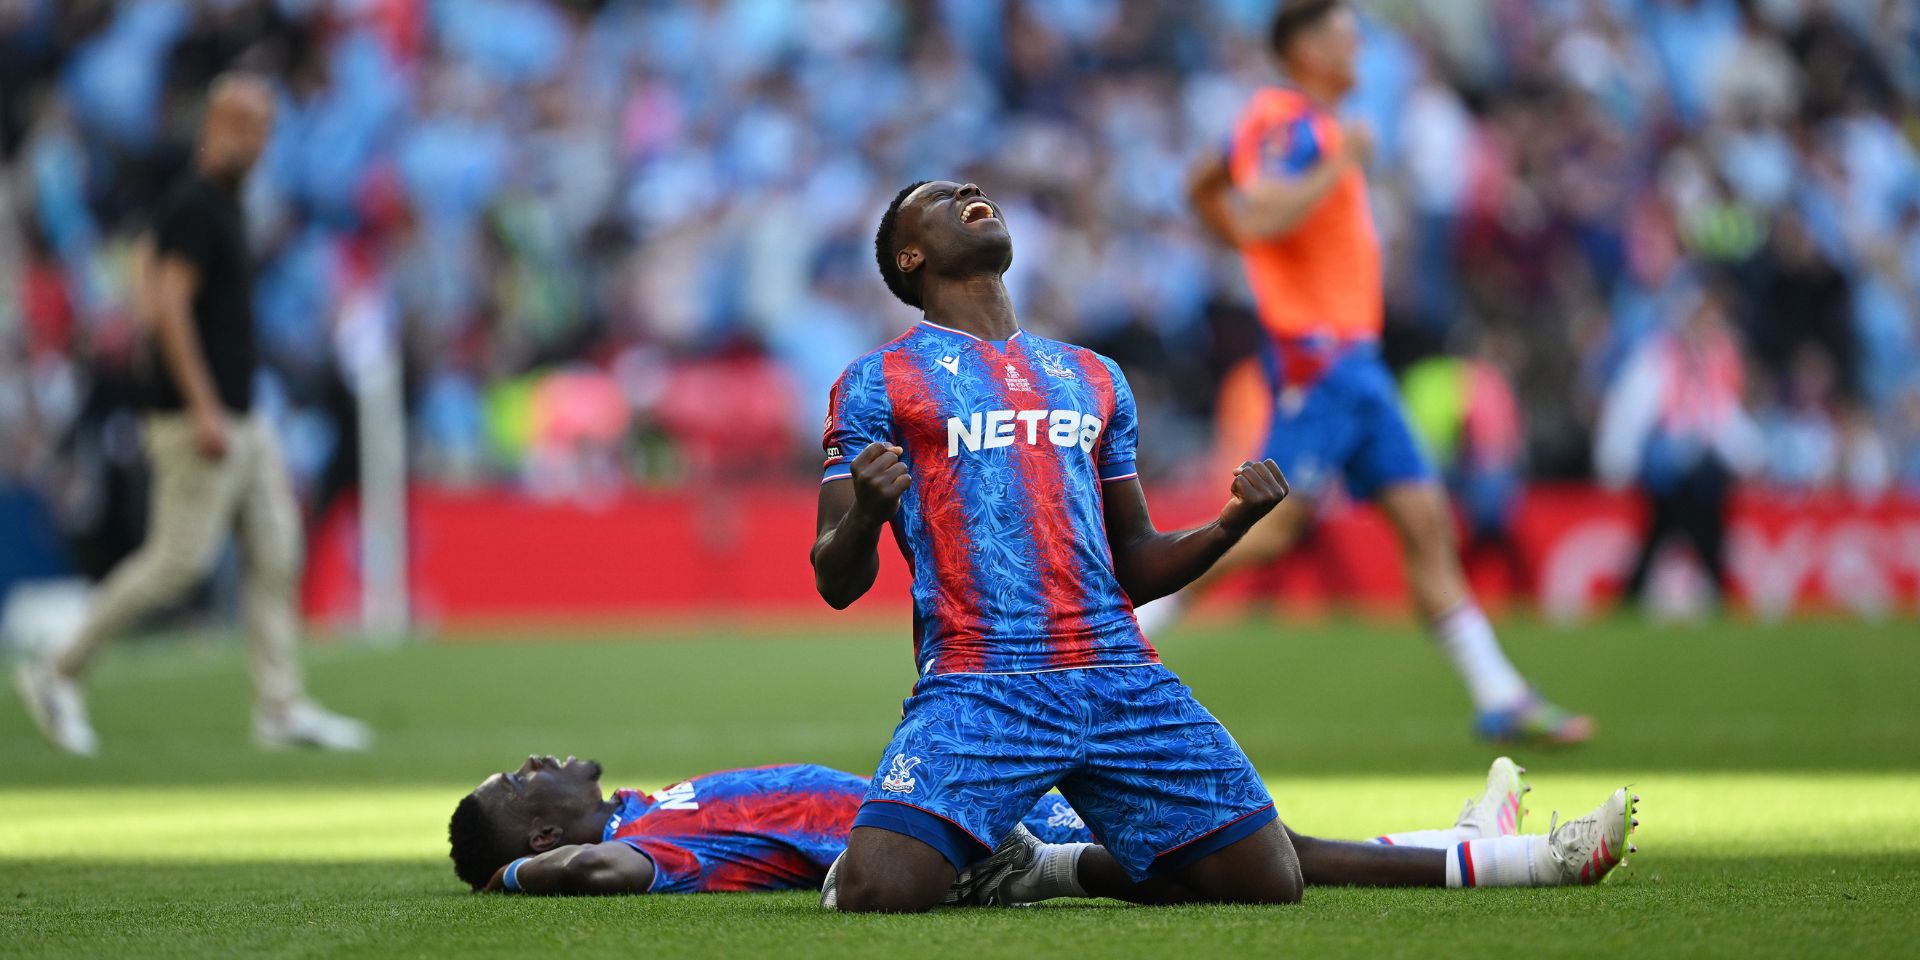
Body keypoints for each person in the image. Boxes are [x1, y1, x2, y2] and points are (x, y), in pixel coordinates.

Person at [807, 179, 1629, 913]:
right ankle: (1522, 858)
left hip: (1119, 675)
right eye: (944, 198)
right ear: (910, 256)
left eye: (972, 187)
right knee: (880, 891)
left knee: (1266, 880)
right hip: (983, 682)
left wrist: (1232, 523)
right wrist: (869, 512)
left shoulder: (1091, 376)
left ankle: (1035, 865)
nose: (971, 191)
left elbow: (1136, 564)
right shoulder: (877, 382)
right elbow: (835, 578)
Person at [1177, 0, 1589, 745]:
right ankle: (1119, 624)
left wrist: (1244, 233)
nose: (1357, 44)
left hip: (1357, 362)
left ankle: (1500, 695)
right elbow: (1265, 212)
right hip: (1321, 359)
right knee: (1271, 533)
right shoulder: (1291, 121)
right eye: (1343, 32)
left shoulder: (1290, 121)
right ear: (1303, 46)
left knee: (1425, 524)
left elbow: (1206, 184)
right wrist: (1331, 169)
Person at [10, 74, 369, 756]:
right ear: (217, 127)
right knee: (178, 560)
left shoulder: (221, 204)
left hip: (242, 411)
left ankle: (281, 705)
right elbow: (165, 308)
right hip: (200, 416)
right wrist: (203, 406)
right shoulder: (197, 206)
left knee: (275, 546)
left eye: (262, 129)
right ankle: (57, 671)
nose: (257, 143)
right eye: (246, 127)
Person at [447, 754, 1637, 898]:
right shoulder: (652, 848)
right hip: (966, 846)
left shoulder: (660, 803)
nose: (537, 757)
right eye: (518, 777)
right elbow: (599, 874)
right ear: (536, 828)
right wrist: (520, 878)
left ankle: (1454, 839)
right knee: (1208, 851)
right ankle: (1517, 862)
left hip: (961, 803)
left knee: (1217, 817)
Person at [1595, 280, 1761, 611]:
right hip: (1666, 464)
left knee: (1672, 527)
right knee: (1689, 522)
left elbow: (1722, 415)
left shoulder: (1712, 358)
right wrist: (1617, 460)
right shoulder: (1658, 357)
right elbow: (1631, 410)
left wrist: (1750, 454)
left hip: (1697, 467)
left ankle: (1637, 593)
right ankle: (1712, 586)